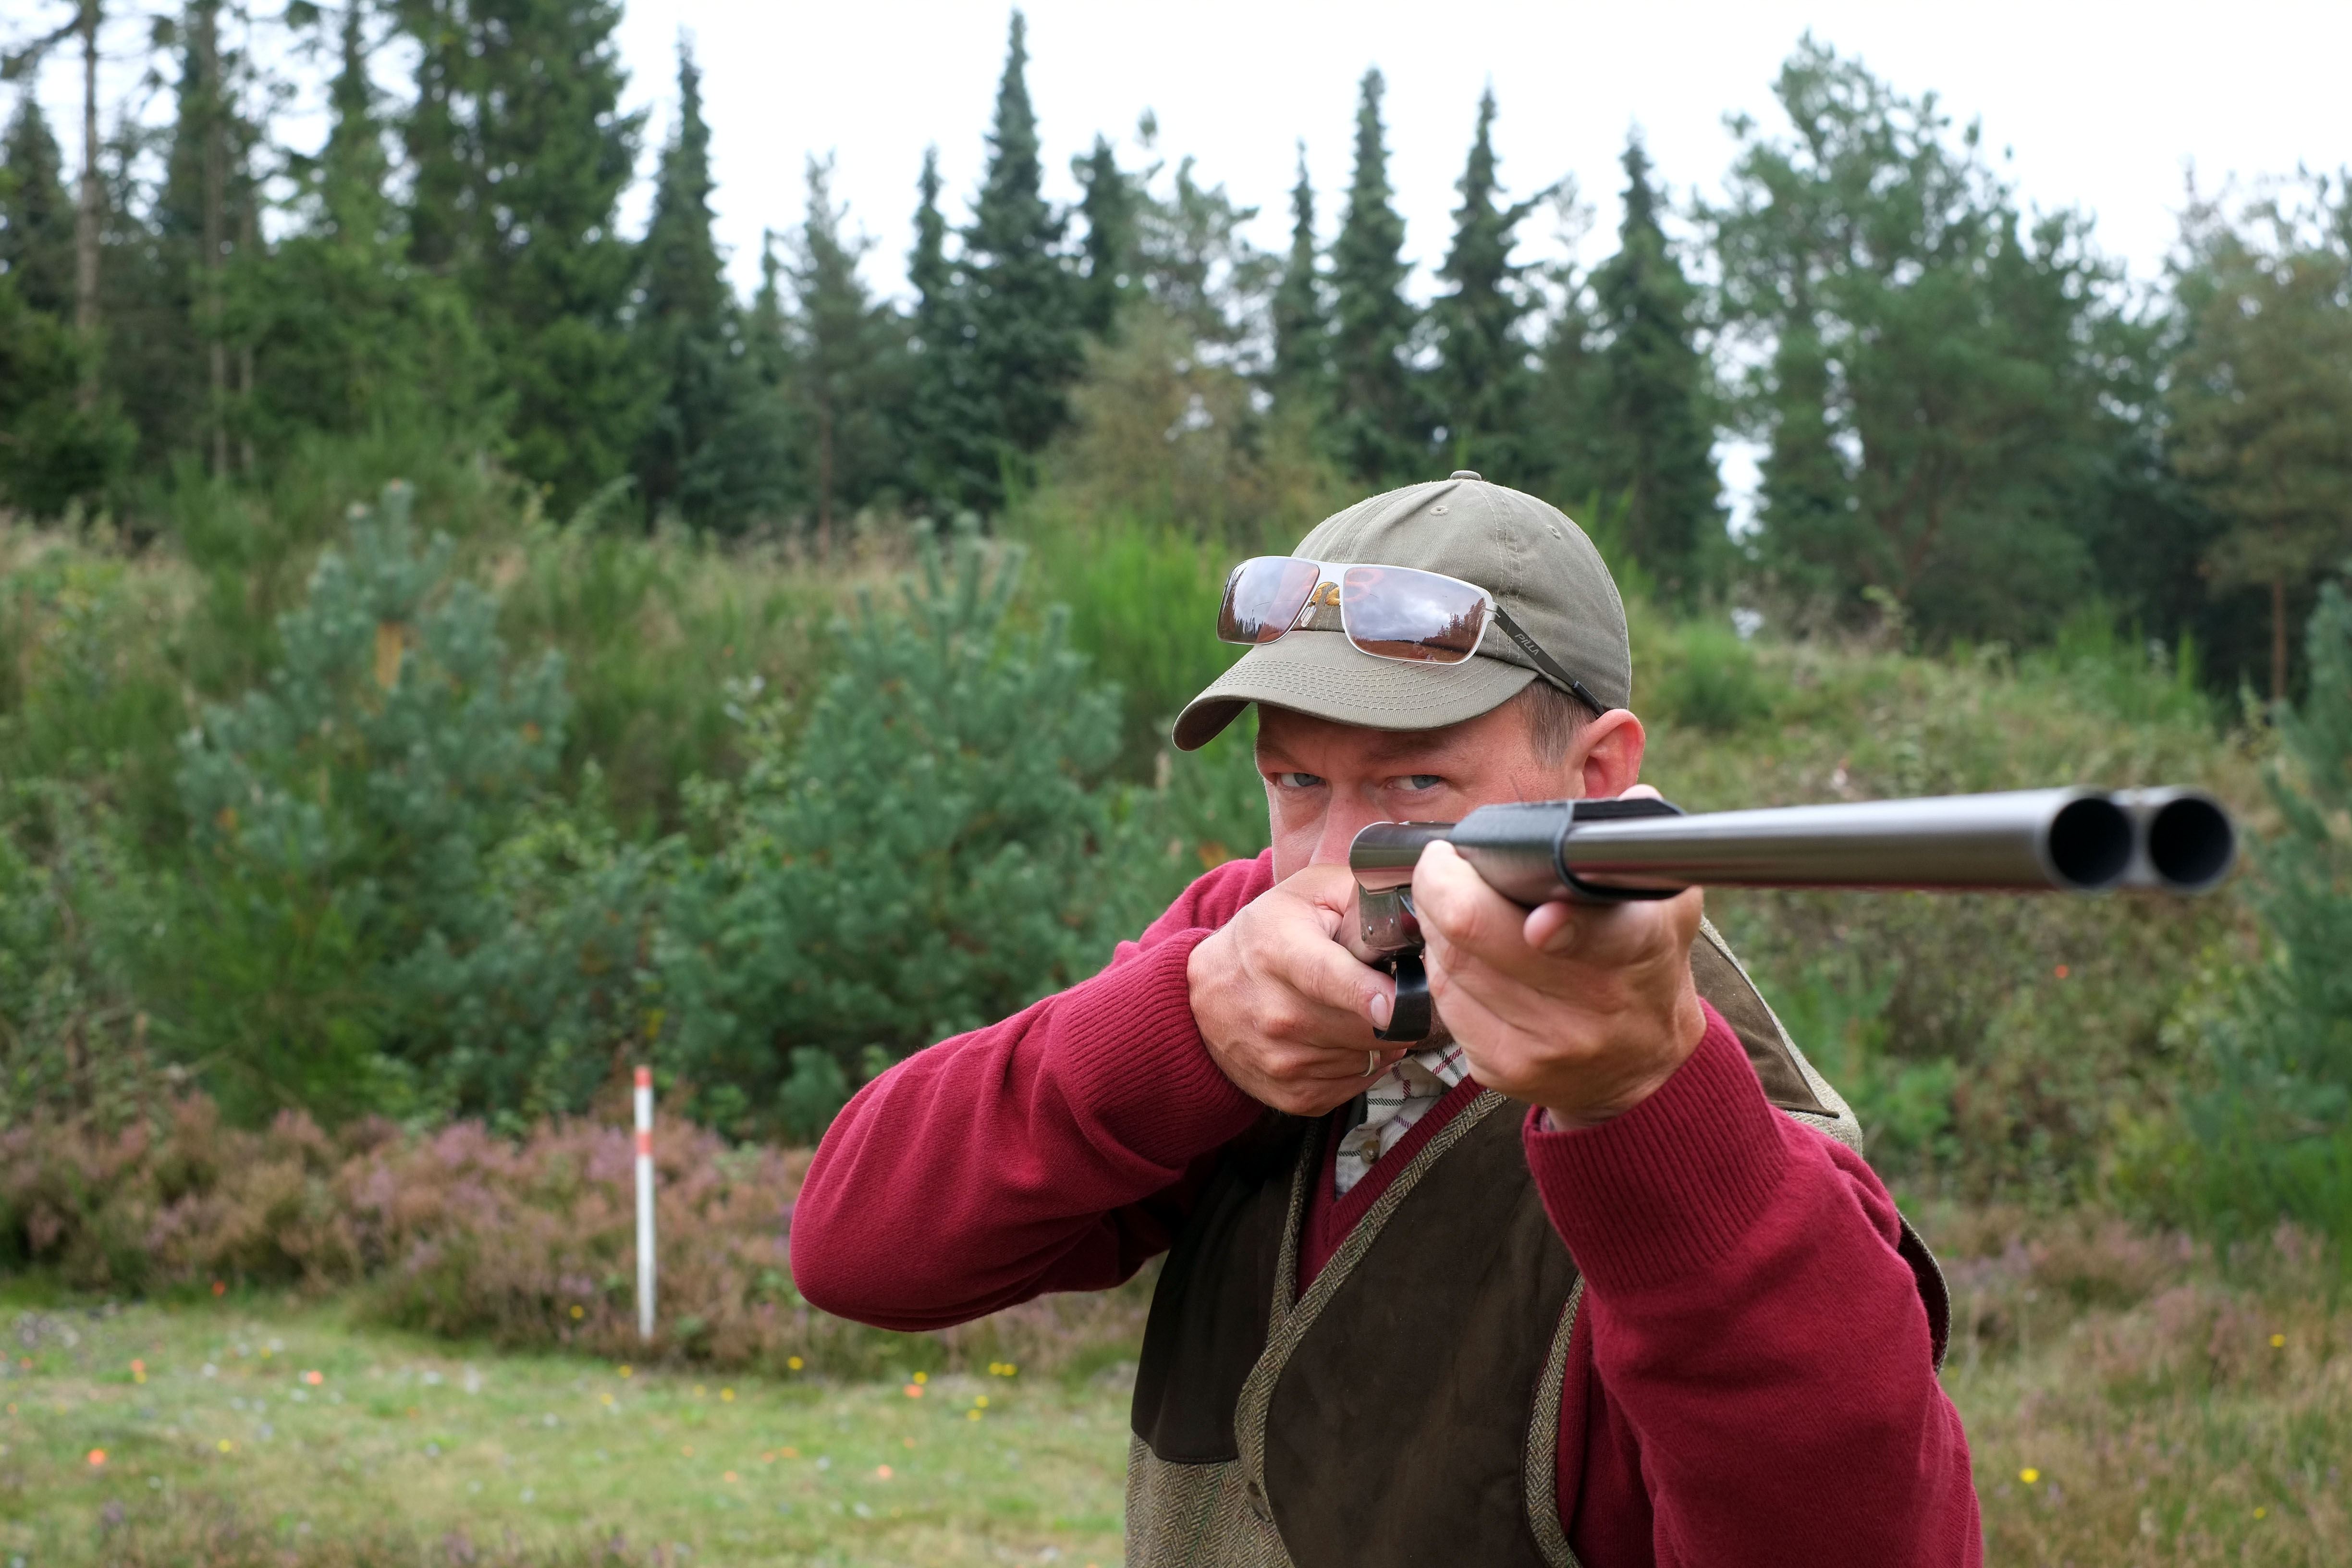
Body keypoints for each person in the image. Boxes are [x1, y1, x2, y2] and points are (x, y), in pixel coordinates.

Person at [791, 474, 1982, 1567]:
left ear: (1601, 781)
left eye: (1415, 784)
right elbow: (855, 1252)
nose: (1336, 856)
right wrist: (1180, 1031)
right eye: (1297, 781)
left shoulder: (1734, 1136)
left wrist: (1638, 1097)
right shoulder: (1243, 946)